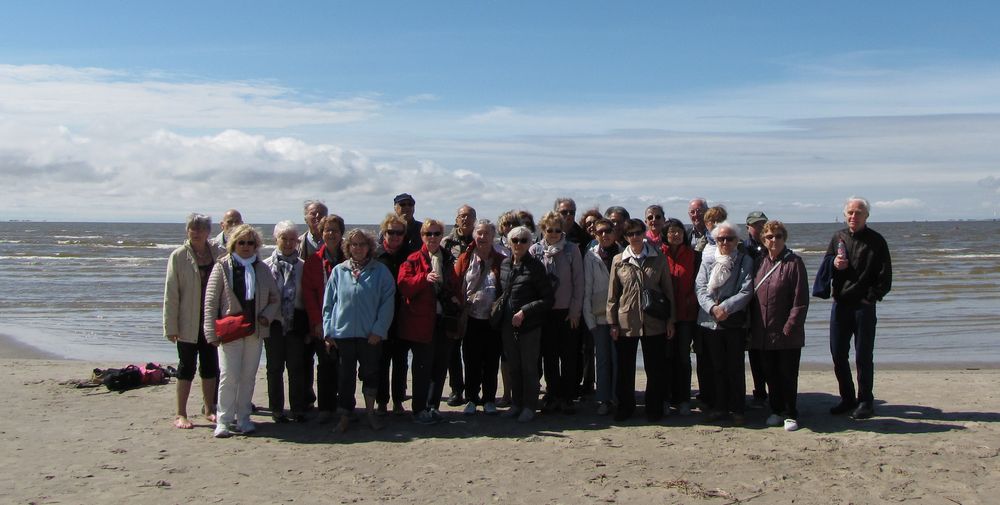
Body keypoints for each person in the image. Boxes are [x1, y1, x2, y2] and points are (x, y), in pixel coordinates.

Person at [204, 224, 280, 438]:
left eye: (250, 243)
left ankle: (244, 417)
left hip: (254, 332)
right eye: (241, 242)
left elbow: (275, 297)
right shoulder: (222, 267)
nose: (246, 246)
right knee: (229, 376)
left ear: (256, 245)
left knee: (248, 376)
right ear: (233, 244)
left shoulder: (262, 268)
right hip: (230, 331)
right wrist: (211, 332)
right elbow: (210, 302)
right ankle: (224, 420)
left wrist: (266, 315)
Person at [824, 197, 892, 420]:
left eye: (858, 213)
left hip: (863, 307)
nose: (854, 216)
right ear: (845, 215)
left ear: (866, 216)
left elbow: (885, 277)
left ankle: (865, 401)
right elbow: (826, 268)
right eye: (850, 213)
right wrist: (834, 263)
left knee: (863, 356)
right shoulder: (838, 237)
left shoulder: (877, 241)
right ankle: (847, 397)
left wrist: (870, 298)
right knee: (838, 354)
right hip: (840, 305)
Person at [323, 229, 396, 433]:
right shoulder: (339, 271)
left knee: (371, 374)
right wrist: (328, 332)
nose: (358, 248)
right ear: (348, 247)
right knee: (345, 377)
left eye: (362, 244)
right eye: (354, 244)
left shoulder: (380, 271)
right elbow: (328, 303)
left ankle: (370, 413)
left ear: (369, 247)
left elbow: (387, 303)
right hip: (343, 334)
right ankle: (345, 415)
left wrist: (379, 330)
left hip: (370, 335)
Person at [607, 218, 676, 422]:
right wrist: (612, 323)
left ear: (644, 233)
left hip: (654, 320)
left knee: (655, 368)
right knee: (625, 368)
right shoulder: (619, 260)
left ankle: (654, 407)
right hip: (626, 320)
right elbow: (613, 295)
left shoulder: (658, 258)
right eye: (630, 234)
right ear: (626, 237)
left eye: (638, 232)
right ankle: (625, 407)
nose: (635, 237)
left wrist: (671, 320)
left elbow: (668, 291)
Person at [396, 219, 461, 424]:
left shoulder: (448, 258)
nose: (432, 238)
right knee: (422, 366)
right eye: (428, 234)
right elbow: (404, 286)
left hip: (444, 319)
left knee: (440, 366)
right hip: (422, 321)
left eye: (436, 234)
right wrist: (423, 278)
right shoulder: (413, 259)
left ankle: (432, 406)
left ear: (442, 236)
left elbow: (456, 284)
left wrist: (457, 298)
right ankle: (419, 408)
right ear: (422, 236)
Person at [163, 213, 224, 429]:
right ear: (187, 231)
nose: (196, 232)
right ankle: (181, 414)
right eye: (192, 228)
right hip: (187, 322)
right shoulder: (179, 256)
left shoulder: (218, 253)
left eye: (201, 229)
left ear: (209, 232)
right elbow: (171, 294)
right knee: (186, 367)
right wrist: (170, 327)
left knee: (210, 366)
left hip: (211, 322)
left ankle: (209, 409)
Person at [749, 220, 809, 431]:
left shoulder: (794, 263)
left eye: (778, 236)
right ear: (763, 240)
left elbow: (800, 300)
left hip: (786, 332)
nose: (774, 240)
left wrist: (790, 326)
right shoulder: (759, 262)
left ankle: (790, 412)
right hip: (762, 331)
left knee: (788, 374)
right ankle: (775, 409)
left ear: (785, 238)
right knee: (770, 373)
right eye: (769, 237)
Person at [695, 221, 753, 425]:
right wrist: (712, 309)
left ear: (737, 240)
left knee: (735, 367)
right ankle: (719, 406)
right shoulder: (707, 260)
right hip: (709, 323)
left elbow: (746, 291)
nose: (725, 242)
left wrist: (725, 308)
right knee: (716, 367)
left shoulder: (744, 260)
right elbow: (700, 288)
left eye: (729, 238)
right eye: (721, 238)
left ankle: (737, 408)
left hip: (733, 322)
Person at [497, 226, 554, 423]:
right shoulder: (504, 264)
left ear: (530, 243)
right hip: (507, 325)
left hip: (530, 325)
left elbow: (548, 299)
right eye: (515, 240)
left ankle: (529, 406)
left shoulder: (536, 267)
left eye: (523, 240)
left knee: (529, 368)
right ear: (509, 242)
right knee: (514, 366)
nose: (519, 244)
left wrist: (524, 311)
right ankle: (516, 403)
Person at [530, 211, 584, 414]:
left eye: (557, 230)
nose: (553, 234)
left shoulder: (572, 250)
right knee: (549, 356)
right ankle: (552, 395)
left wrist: (575, 311)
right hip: (545, 312)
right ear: (543, 229)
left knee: (569, 356)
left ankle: (568, 397)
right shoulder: (535, 250)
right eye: (549, 229)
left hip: (567, 311)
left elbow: (579, 282)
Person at [455, 220, 504, 415]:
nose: (482, 237)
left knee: (492, 360)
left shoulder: (501, 259)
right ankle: (472, 399)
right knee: (471, 359)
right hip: (471, 318)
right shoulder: (465, 259)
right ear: (474, 235)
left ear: (493, 237)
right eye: (479, 233)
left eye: (486, 234)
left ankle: (489, 399)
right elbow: (456, 283)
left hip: (492, 319)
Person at [301, 214, 346, 423]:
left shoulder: (350, 256)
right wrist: (317, 322)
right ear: (321, 232)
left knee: (345, 365)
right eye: (327, 230)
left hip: (347, 322)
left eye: (335, 230)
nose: (331, 234)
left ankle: (345, 406)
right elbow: (309, 294)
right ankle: (326, 407)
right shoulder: (314, 261)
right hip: (324, 321)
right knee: (326, 364)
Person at [263, 221, 308, 423]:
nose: (289, 243)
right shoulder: (264, 266)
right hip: (273, 322)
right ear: (276, 239)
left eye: (293, 239)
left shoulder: (303, 266)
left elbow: (308, 297)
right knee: (274, 367)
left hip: (296, 322)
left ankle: (298, 408)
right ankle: (276, 409)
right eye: (284, 239)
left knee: (296, 367)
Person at [582, 218, 620, 415]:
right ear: (595, 235)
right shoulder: (590, 256)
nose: (604, 235)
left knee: (619, 358)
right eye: (600, 232)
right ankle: (604, 398)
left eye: (607, 231)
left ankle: (618, 396)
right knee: (603, 359)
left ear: (614, 232)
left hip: (621, 316)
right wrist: (588, 319)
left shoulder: (624, 253)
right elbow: (586, 288)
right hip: (598, 315)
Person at [374, 214, 410, 415]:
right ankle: (381, 402)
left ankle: (398, 401)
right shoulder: (376, 256)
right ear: (384, 233)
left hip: (403, 315)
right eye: (391, 232)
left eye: (399, 232)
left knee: (401, 361)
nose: (395, 236)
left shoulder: (410, 255)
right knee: (381, 361)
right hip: (380, 316)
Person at [662, 218, 697, 416]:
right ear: (666, 235)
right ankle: (666, 398)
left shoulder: (693, 255)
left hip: (686, 315)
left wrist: (690, 300)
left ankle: (684, 398)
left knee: (683, 358)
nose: (675, 235)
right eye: (672, 231)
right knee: (666, 357)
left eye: (679, 231)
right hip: (665, 316)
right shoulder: (659, 254)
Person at [442, 204, 477, 407]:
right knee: (452, 349)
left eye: (469, 216)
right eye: (462, 216)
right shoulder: (447, 242)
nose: (465, 219)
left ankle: (474, 389)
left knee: (471, 349)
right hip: (453, 301)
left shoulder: (479, 240)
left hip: (473, 302)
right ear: (456, 219)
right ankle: (457, 389)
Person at [744, 210, 769, 409]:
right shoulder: (743, 248)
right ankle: (759, 391)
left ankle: (772, 389)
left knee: (768, 351)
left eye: (763, 224)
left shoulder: (771, 245)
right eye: (756, 225)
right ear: (748, 228)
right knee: (754, 351)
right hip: (748, 306)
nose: (760, 228)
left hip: (767, 305)